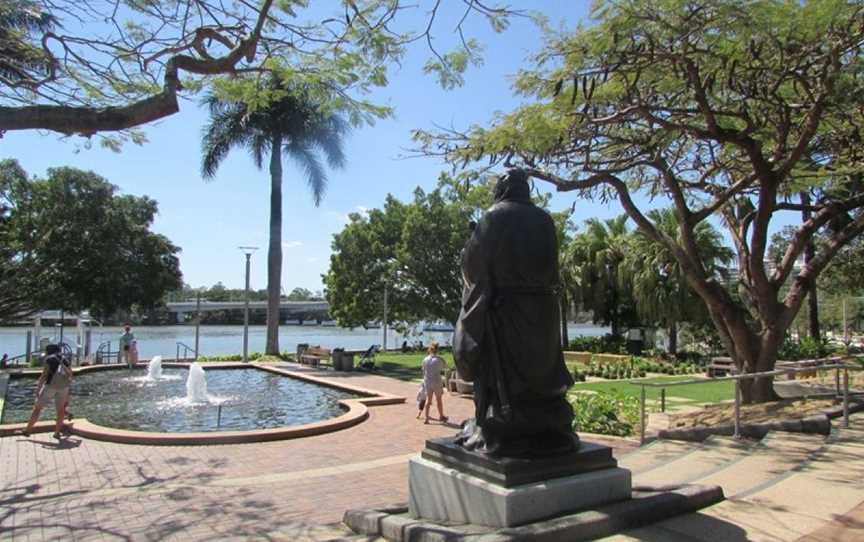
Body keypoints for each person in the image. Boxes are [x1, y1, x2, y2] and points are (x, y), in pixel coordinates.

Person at [453, 168, 576, 457]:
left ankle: (496, 424)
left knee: (500, 374)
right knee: (541, 369)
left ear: (502, 189)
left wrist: (467, 251)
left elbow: (474, 267)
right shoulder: (545, 220)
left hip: (505, 309)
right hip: (544, 311)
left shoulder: (494, 216)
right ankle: (544, 425)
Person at [20, 344, 73, 439]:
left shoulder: (49, 359)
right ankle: (57, 433)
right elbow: (70, 374)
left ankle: (27, 430)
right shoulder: (65, 358)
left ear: (49, 351)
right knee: (60, 410)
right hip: (64, 387)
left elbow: (44, 375)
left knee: (37, 408)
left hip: (50, 386)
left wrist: (38, 388)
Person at [421, 342, 448, 424]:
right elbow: (445, 367)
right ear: (437, 349)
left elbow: (423, 370)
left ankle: (426, 418)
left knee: (428, 400)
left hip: (428, 381)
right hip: (436, 381)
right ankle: (441, 415)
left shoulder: (425, 359)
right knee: (439, 400)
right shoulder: (439, 359)